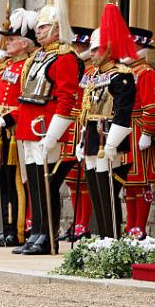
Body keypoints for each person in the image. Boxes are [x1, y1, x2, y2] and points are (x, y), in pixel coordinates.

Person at [13, 0, 83, 255]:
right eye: (38, 27)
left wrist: (54, 133)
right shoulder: (39, 56)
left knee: (47, 184)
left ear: (56, 28)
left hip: (47, 128)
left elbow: (66, 98)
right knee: (35, 184)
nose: (38, 31)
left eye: (44, 27)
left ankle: (48, 236)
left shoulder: (65, 57)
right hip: (30, 127)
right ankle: (37, 232)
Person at [0, 8, 38, 248]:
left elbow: (27, 98)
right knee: (2, 181)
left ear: (25, 44)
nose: (8, 42)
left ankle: (18, 230)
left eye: (13, 39)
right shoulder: (5, 65)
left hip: (13, 130)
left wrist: (8, 118)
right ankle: (5, 230)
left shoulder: (28, 65)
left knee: (16, 182)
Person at [80, 6, 137, 239]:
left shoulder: (121, 75)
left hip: (108, 138)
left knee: (107, 190)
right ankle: (102, 235)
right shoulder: (94, 76)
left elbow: (123, 112)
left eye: (96, 50)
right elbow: (86, 110)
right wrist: (81, 141)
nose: (92, 54)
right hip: (93, 137)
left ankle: (112, 236)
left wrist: (113, 143)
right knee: (95, 187)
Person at [122, 27, 155, 238]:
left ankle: (140, 226)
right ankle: (130, 225)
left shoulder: (145, 72)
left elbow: (153, 105)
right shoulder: (126, 71)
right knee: (128, 182)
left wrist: (147, 131)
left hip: (139, 128)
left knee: (141, 181)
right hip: (126, 129)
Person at [60, 26, 94, 242]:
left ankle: (83, 223)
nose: (75, 49)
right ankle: (76, 221)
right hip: (71, 125)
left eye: (79, 46)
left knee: (85, 180)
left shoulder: (91, 70)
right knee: (73, 180)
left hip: (84, 125)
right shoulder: (75, 67)